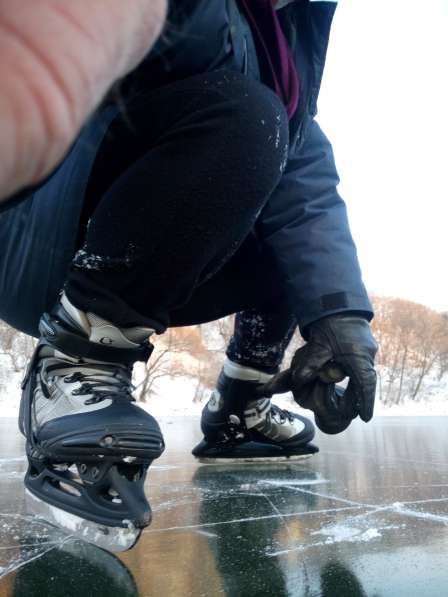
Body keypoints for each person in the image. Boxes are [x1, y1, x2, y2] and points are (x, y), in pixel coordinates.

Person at [0, 0, 377, 550]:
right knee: (249, 113)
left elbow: (307, 195)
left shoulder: (289, 49)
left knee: (293, 242)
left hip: (154, 240)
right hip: (38, 224)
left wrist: (339, 314)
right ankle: (77, 360)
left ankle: (238, 410)